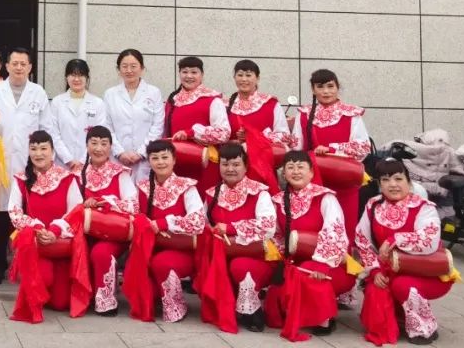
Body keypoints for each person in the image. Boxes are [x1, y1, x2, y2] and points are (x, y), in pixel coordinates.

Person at [357, 158, 452, 345]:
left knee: (403, 285)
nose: (392, 185)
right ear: (379, 184)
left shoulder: (423, 207)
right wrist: (374, 270)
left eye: (398, 179)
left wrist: (396, 239)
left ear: (409, 182)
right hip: (387, 270)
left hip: (425, 271)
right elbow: (362, 240)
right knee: (376, 290)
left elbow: (429, 240)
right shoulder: (373, 205)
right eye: (385, 180)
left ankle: (423, 327)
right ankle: (399, 317)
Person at [0, 47, 52, 286]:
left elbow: (46, 128)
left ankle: (26, 264)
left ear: (30, 67)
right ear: (7, 66)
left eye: (24, 64)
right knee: (1, 215)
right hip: (1, 162)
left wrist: (44, 160)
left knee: (27, 214)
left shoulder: (38, 93)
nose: (19, 67)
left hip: (30, 162)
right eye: (15, 63)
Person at [268, 150, 352, 337]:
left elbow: (335, 231)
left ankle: (324, 318)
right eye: (290, 167)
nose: (296, 172)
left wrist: (322, 263)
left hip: (330, 264)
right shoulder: (277, 201)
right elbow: (276, 235)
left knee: (308, 271)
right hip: (294, 262)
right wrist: (282, 258)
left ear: (312, 172)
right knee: (277, 299)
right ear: (284, 173)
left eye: (301, 167)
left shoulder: (326, 198)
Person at [7, 130, 83, 322]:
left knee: (60, 303)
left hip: (61, 245)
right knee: (44, 278)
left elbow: (76, 210)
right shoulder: (21, 179)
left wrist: (55, 230)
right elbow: (14, 210)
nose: (38, 153)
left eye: (43, 149)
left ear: (53, 152)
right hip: (36, 243)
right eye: (33, 149)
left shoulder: (67, 178)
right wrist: (37, 228)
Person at [202, 143, 277, 333]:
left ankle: (252, 311)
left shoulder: (259, 192)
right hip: (221, 255)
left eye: (236, 164)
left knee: (240, 266)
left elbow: (268, 226)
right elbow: (203, 224)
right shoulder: (212, 194)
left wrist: (231, 228)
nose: (230, 169)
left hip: (255, 254)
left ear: (245, 166)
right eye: (225, 164)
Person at [129, 139, 204, 323]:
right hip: (150, 249)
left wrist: (164, 223)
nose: (160, 162)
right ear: (149, 161)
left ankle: (176, 304)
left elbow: (198, 222)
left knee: (162, 263)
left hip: (180, 248)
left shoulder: (187, 187)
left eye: (165, 157)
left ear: (174, 160)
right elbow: (131, 212)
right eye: (155, 158)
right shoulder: (142, 187)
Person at [292, 68, 371, 244]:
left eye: (330, 86)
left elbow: (363, 146)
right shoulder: (304, 114)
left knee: (345, 227)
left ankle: (345, 260)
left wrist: (332, 149)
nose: (326, 91)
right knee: (314, 229)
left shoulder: (351, 113)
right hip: (312, 181)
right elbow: (296, 149)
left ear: (337, 87)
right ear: (313, 90)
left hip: (344, 180)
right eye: (320, 87)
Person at [76, 125, 137, 316]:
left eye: (104, 144)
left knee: (101, 253)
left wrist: (104, 203)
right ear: (86, 146)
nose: (98, 148)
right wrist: (84, 205)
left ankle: (106, 299)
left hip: (113, 232)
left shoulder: (120, 173)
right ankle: (83, 295)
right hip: (85, 232)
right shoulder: (78, 174)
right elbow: (70, 206)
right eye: (94, 143)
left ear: (111, 147)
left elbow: (133, 205)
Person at [164, 56, 230, 191]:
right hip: (176, 162)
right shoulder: (172, 100)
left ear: (202, 75)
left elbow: (224, 133)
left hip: (205, 162)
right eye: (185, 72)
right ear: (179, 74)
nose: (189, 76)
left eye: (194, 72)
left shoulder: (212, 99)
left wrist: (192, 133)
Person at [103, 49, 164, 182]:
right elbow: (107, 127)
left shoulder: (154, 93)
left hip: (146, 159)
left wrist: (141, 153)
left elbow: (157, 126)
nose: (129, 70)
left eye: (133, 66)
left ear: (142, 68)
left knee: (144, 191)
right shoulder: (110, 94)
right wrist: (119, 152)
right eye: (124, 66)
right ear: (118, 70)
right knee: (119, 191)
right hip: (118, 158)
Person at [48, 58, 112, 172]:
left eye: (81, 75)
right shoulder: (57, 102)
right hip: (62, 163)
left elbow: (100, 135)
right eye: (73, 75)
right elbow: (54, 135)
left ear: (87, 78)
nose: (76, 79)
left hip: (90, 162)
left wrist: (83, 160)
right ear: (66, 77)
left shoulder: (98, 103)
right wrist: (68, 159)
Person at [226, 59, 292, 146]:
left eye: (248, 75)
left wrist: (253, 136)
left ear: (258, 78)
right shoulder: (225, 105)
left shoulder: (271, 104)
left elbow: (285, 136)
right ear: (234, 77)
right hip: (233, 154)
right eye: (240, 75)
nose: (244, 79)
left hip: (263, 153)